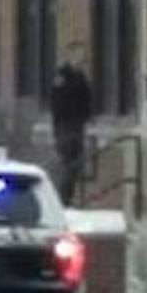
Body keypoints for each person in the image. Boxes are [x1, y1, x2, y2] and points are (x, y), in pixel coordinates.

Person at [48, 60, 94, 202]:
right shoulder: (72, 82)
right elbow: (84, 98)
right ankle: (64, 196)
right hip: (71, 126)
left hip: (66, 126)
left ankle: (64, 196)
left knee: (70, 163)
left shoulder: (60, 83)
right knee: (71, 163)